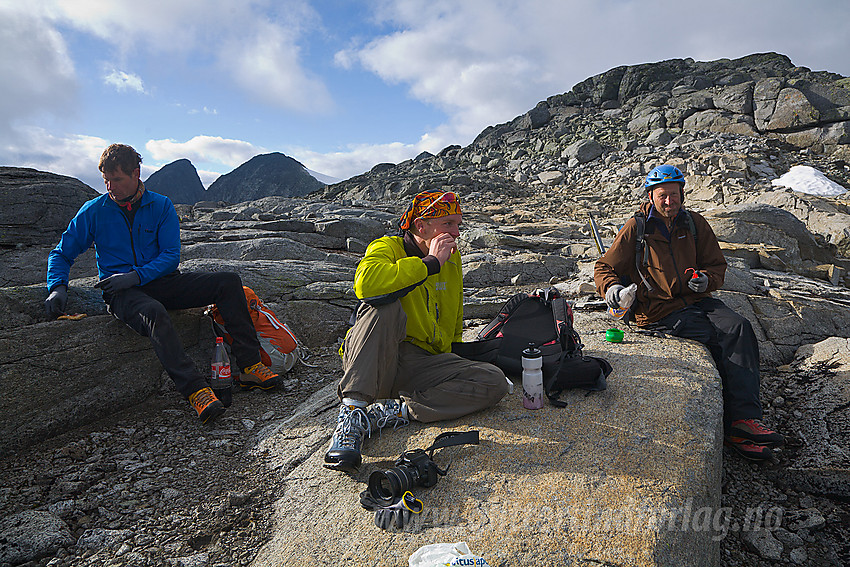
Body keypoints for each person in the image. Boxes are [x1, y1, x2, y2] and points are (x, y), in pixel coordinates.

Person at [44, 144, 282, 424]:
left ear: (136, 173)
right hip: (123, 293)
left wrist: (137, 275)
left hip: (161, 281)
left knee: (228, 282)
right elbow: (61, 252)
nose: (111, 187)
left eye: (117, 180)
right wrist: (57, 287)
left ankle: (250, 366)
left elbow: (170, 256)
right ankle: (196, 391)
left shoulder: (161, 205)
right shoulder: (94, 211)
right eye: (106, 180)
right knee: (154, 312)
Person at [594, 164, 784, 461]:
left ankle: (746, 420)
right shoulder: (638, 227)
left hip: (696, 301)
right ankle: (735, 426)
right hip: (657, 310)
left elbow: (716, 266)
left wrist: (706, 279)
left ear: (682, 193)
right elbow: (605, 268)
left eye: (674, 195)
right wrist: (613, 290)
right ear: (651, 195)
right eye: (662, 196)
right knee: (716, 337)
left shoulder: (694, 224)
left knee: (739, 327)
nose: (669, 201)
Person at [324, 190, 510, 472]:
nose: (457, 232)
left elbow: (453, 312)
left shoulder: (452, 257)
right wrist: (430, 263)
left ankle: (391, 412)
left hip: (419, 363)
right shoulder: (387, 247)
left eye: (458, 224)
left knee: (494, 381)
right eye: (448, 224)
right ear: (421, 226)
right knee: (383, 307)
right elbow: (365, 285)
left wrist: (454, 362)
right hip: (376, 358)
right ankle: (351, 415)